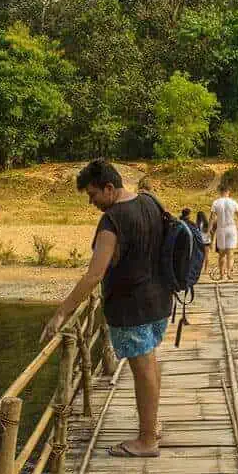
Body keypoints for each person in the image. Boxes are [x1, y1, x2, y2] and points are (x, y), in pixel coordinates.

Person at [40, 159, 171, 458]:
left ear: (109, 188)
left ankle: (148, 440)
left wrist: (61, 312)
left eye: (93, 195)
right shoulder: (149, 202)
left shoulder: (113, 220)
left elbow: (94, 274)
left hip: (131, 307)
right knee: (149, 363)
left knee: (142, 368)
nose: (92, 202)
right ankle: (152, 425)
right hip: (159, 300)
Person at [209, 183, 238, 280]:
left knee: (221, 254)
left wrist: (209, 231)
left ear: (220, 192)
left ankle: (221, 274)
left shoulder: (216, 203)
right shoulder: (233, 202)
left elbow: (212, 219)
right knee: (230, 253)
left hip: (221, 229)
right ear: (228, 192)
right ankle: (229, 273)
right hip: (231, 229)